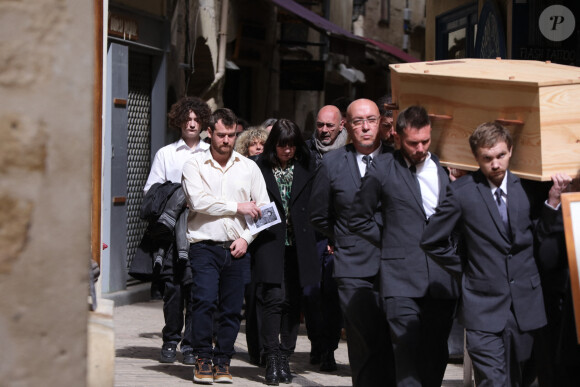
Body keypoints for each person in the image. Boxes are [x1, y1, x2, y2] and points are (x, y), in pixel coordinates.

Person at [420, 121, 571, 387]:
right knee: (493, 381)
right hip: (482, 307)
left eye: (501, 155)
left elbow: (538, 238)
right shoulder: (461, 193)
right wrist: (465, 267)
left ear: (510, 150)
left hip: (525, 306)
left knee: (520, 380)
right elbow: (432, 240)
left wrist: (553, 202)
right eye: (487, 158)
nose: (495, 164)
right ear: (477, 158)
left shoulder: (527, 188)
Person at [349, 105, 459, 387]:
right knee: (406, 357)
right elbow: (359, 217)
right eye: (413, 142)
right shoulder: (383, 168)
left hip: (441, 280)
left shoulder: (447, 169)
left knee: (435, 356)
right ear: (397, 138)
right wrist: (387, 241)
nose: (420, 148)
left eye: (425, 141)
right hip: (399, 280)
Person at [309, 98, 396, 387]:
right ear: (347, 126)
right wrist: (344, 238)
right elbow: (319, 215)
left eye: (371, 119)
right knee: (363, 341)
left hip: (394, 264)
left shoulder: (397, 160)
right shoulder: (333, 163)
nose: (366, 127)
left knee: (393, 340)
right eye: (358, 121)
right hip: (352, 266)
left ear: (381, 122)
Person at [182, 108, 270, 384]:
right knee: (204, 302)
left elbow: (265, 210)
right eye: (221, 135)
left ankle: (223, 361)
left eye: (232, 135)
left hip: (237, 247)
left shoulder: (249, 167)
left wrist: (247, 239)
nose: (227, 141)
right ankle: (202, 358)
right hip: (204, 245)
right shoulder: (194, 165)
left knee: (232, 309)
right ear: (210, 133)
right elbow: (199, 202)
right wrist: (237, 207)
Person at [142, 96, 211, 365]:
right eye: (187, 119)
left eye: (196, 119)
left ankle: (191, 345)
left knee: (196, 290)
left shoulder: (210, 152)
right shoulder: (166, 153)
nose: (192, 124)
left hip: (200, 230)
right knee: (173, 290)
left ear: (203, 123)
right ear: (179, 121)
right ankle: (170, 339)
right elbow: (150, 191)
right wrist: (177, 194)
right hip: (171, 236)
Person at [251, 119, 320, 385]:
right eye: (282, 146)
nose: (287, 151)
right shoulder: (258, 166)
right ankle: (272, 357)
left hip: (300, 243)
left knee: (293, 300)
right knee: (273, 298)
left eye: (292, 146)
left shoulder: (308, 165)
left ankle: (285, 355)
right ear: (273, 145)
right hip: (270, 241)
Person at [303, 105, 348, 371]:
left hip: (336, 236)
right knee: (310, 294)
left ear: (341, 126)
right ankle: (316, 342)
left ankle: (329, 349)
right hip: (309, 234)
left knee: (332, 295)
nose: (324, 130)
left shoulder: (349, 155)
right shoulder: (305, 152)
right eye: (320, 125)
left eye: (330, 126)